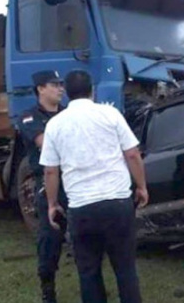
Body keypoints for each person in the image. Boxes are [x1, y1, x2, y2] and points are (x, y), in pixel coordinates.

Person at [40, 70, 148, 303]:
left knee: (88, 272)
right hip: (118, 204)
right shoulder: (110, 114)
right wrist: (141, 187)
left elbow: (50, 170)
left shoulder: (55, 125)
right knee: (125, 269)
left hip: (82, 208)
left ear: (67, 94)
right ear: (93, 90)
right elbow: (132, 154)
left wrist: (52, 204)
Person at [17, 70, 68, 303]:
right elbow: (44, 143)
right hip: (48, 183)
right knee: (50, 239)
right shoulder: (29, 116)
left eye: (62, 84)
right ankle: (48, 289)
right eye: (54, 84)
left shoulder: (68, 113)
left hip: (74, 181)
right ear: (40, 89)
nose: (60, 88)